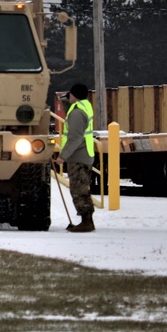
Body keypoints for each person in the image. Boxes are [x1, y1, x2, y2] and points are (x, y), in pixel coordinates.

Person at [57, 82, 95, 233]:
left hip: (79, 156)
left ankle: (86, 221)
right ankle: (86, 220)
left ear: (74, 95)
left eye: (70, 94)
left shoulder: (77, 113)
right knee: (81, 188)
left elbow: (74, 138)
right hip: (84, 154)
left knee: (79, 190)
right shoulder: (83, 106)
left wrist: (62, 156)